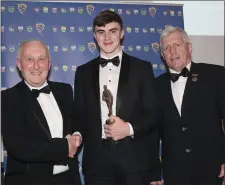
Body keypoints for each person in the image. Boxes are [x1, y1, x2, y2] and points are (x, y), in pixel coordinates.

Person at [72, 10, 162, 185]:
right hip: (96, 165)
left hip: (135, 163)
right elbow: (79, 114)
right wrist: (77, 134)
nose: (107, 37)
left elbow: (154, 114)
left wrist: (128, 129)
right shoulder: (82, 72)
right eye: (101, 31)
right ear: (94, 36)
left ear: (121, 34)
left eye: (112, 31)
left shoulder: (142, 68)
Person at [1, 40, 82, 185]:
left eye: (41, 59)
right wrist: (64, 146)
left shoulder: (65, 91)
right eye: (29, 59)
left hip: (68, 179)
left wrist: (77, 135)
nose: (36, 66)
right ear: (19, 64)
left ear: (49, 64)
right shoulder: (8, 98)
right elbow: (20, 147)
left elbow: (76, 121)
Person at [156, 26, 225, 185]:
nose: (172, 51)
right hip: (174, 174)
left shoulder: (216, 75)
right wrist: (154, 173)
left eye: (177, 45)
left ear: (189, 47)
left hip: (213, 170)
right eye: (167, 48)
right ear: (162, 55)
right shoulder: (155, 86)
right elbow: (152, 134)